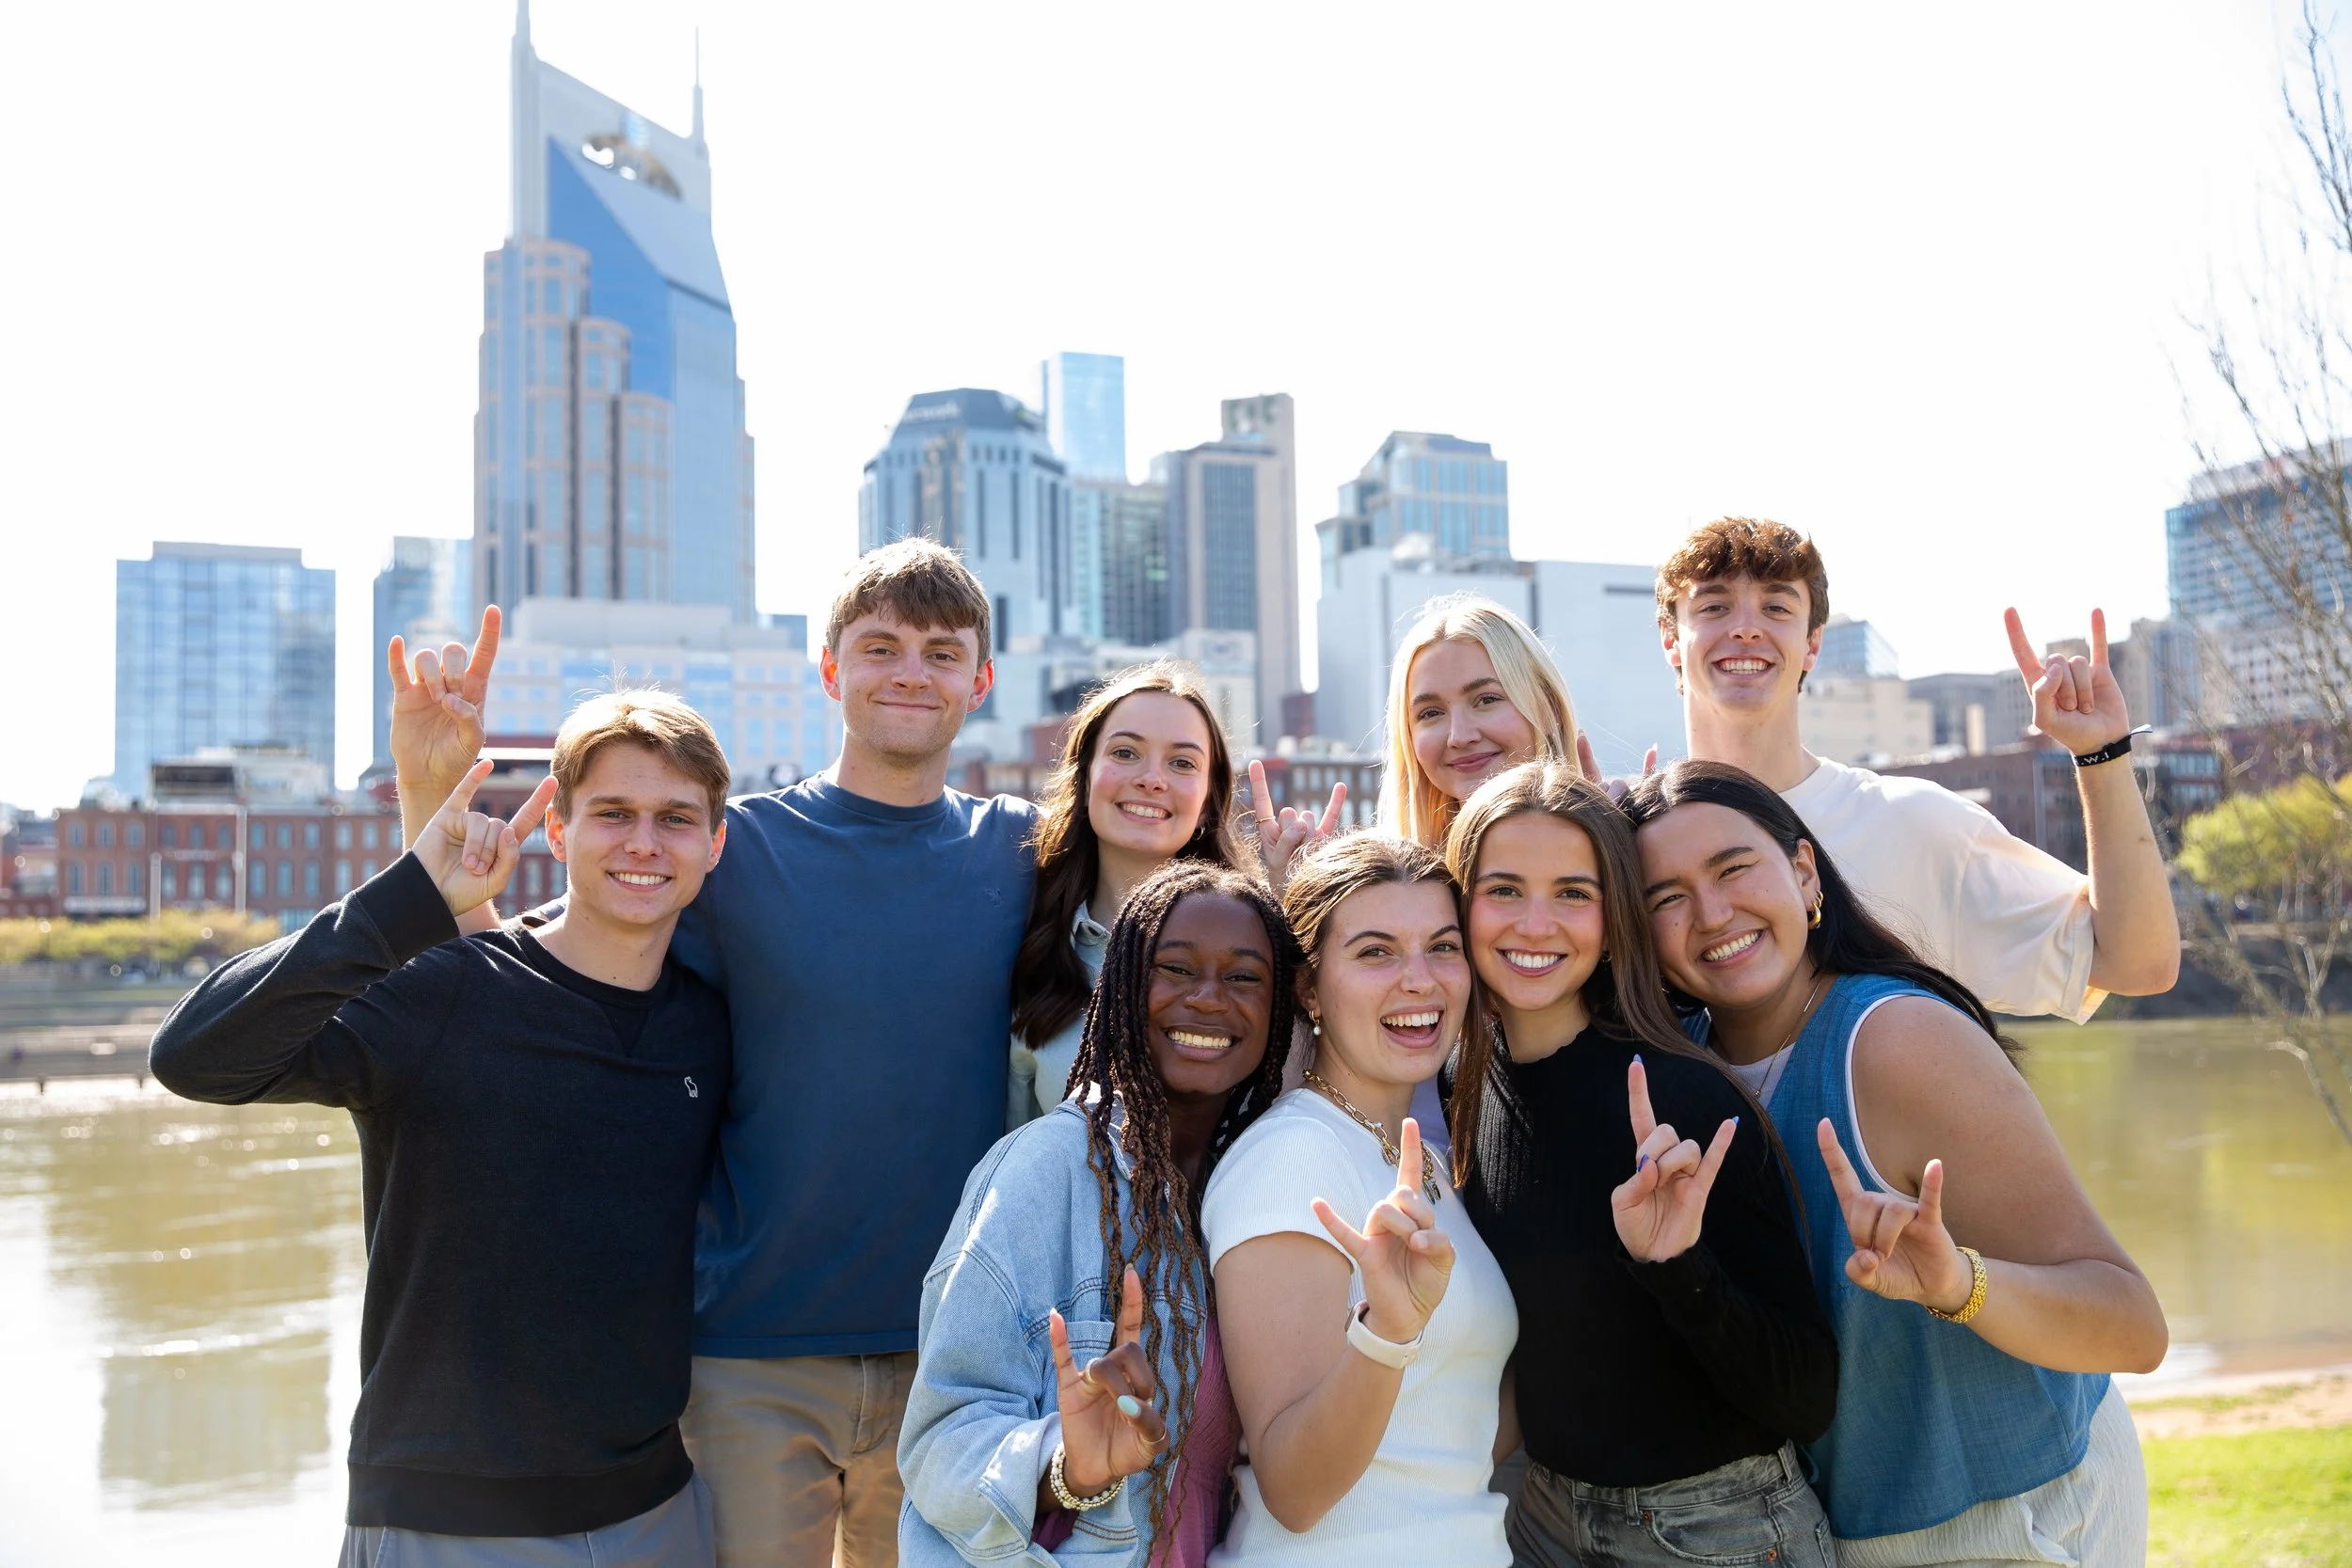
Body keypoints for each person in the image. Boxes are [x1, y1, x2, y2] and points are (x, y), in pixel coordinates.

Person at [388, 540, 1037, 1568]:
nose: (910, 671)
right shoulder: (736, 846)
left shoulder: (1026, 850)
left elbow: (1171, 937)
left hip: (956, 1361)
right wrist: (429, 813)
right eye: (879, 647)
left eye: (940, 651)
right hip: (748, 1355)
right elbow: (536, 986)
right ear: (830, 670)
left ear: (980, 679)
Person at [151, 691, 736, 1566]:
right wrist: (412, 896)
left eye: (675, 819)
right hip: (443, 1526)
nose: (644, 842)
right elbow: (196, 1055)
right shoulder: (446, 991)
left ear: (715, 842)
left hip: (656, 1515)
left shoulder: (709, 1023)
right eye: (613, 813)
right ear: (558, 829)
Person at [1625, 760, 2169, 1566]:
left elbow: (2134, 1323)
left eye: (1734, 867)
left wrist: (1960, 1284)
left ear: (1803, 870)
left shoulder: (1897, 1042)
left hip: (2015, 1518)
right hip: (1841, 1534)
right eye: (1665, 897)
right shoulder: (1681, 1077)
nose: (1710, 913)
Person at [1444, 761, 1837, 1568]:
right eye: (1505, 889)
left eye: (1574, 893)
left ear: (1615, 915)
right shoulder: (1463, 1086)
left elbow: (1807, 1393)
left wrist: (1679, 1265)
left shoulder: (1677, 1098)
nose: (1536, 923)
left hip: (1713, 1530)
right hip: (1545, 1513)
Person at [902, 862, 1302, 1566]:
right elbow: (939, 1441)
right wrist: (1066, 1466)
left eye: (1244, 977)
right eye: (1174, 969)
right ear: (1120, 988)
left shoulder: (1254, 1190)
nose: (1208, 999)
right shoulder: (1043, 1171)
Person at [1653, 516, 2179, 1021]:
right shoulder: (1627, 838)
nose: (1746, 629)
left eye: (1776, 608)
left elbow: (2138, 964)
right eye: (1716, 607)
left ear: (1812, 644)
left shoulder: (1914, 823)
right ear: (1671, 639)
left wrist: (2102, 756)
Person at [1200, 833, 1516, 1565]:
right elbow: (1295, 1490)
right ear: (1310, 989)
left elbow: (1455, 1430)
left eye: (1442, 947)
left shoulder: (1428, 1161)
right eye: (1376, 952)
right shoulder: (1288, 1159)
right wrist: (1387, 1332)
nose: (1420, 980)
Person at [1010, 662, 1247, 1125]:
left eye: (1182, 763)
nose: (1152, 779)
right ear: (1084, 780)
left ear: (1206, 803)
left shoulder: (1256, 955)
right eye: (1125, 753)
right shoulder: (1029, 952)